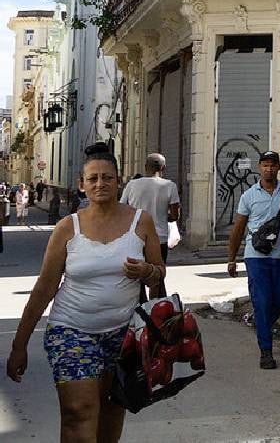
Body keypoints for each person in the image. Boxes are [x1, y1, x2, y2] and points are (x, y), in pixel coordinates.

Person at [5, 143, 164, 442]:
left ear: (119, 182)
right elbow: (44, 289)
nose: (100, 183)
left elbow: (159, 272)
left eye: (107, 177)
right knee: (78, 412)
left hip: (124, 335)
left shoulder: (140, 222)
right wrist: (19, 344)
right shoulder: (67, 228)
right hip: (72, 331)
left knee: (113, 410)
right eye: (93, 178)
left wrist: (146, 271)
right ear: (81, 185)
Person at [227, 151, 280, 369]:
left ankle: (260, 321)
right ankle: (266, 351)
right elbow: (238, 229)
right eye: (265, 165)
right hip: (256, 257)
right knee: (262, 302)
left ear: (278, 167)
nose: (269, 169)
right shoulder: (248, 196)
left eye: (272, 165)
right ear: (259, 167)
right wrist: (231, 259)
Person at [120, 154, 181, 299]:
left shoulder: (132, 185)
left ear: (145, 167)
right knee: (157, 276)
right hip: (159, 239)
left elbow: (122, 208)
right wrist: (162, 215)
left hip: (136, 238)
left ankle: (141, 309)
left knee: (137, 278)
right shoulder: (169, 186)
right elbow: (175, 216)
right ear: (163, 168)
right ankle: (157, 310)